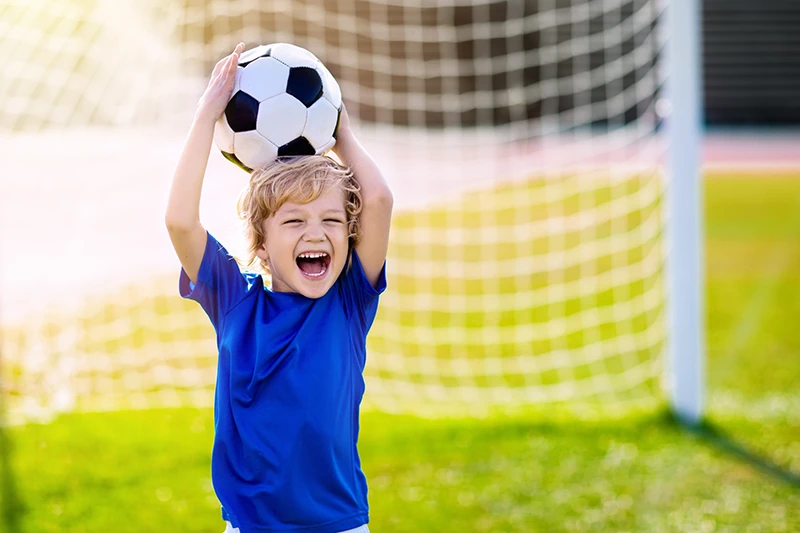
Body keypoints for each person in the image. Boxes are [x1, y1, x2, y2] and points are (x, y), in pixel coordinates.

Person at [165, 42, 393, 533]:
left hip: (340, 525)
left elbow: (376, 199)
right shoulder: (235, 302)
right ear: (262, 246)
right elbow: (180, 222)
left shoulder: (349, 302)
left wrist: (342, 135)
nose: (316, 233)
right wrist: (206, 117)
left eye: (331, 219)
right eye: (294, 221)